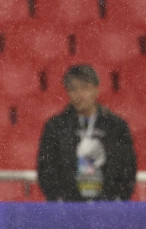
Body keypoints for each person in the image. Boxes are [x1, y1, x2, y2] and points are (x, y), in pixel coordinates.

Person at [37, 64, 137, 202]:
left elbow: (128, 168)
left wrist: (115, 199)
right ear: (67, 93)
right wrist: (59, 199)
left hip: (106, 206)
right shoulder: (55, 127)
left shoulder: (116, 126)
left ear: (96, 90)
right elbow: (46, 169)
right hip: (69, 207)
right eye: (73, 89)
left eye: (85, 88)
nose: (79, 95)